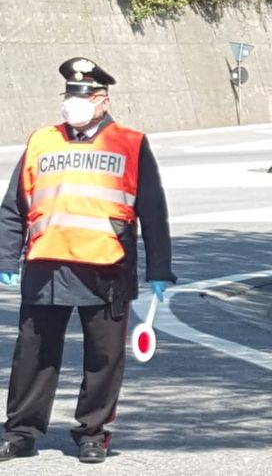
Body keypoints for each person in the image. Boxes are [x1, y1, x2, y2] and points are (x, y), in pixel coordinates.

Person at [0, 57, 174, 464]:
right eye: (68, 96)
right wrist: (6, 255)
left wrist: (159, 269)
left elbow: (152, 209)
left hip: (106, 267)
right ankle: (21, 432)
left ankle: (93, 433)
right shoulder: (41, 141)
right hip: (47, 267)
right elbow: (14, 206)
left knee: (103, 357)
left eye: (82, 96)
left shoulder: (130, 142)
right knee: (34, 353)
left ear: (103, 101)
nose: (72, 104)